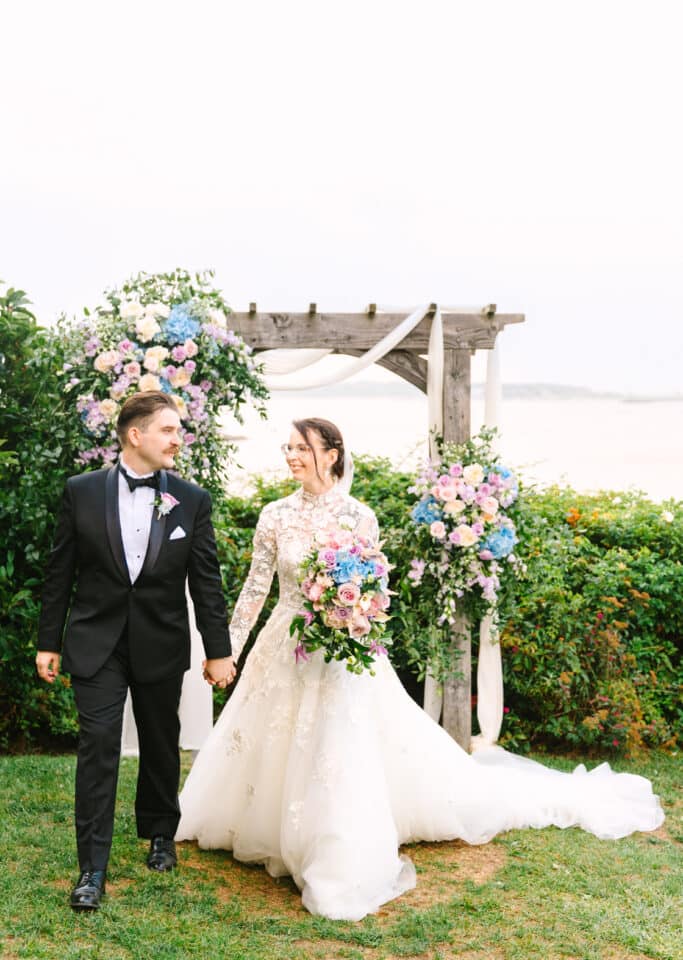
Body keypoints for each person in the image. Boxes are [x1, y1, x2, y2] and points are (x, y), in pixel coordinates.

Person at [175, 417, 664, 922]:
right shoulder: (274, 515)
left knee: (336, 744)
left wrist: (353, 613)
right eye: (290, 447)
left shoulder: (358, 516)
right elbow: (256, 588)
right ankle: (259, 823)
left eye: (303, 447)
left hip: (342, 647)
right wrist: (227, 649)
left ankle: (332, 838)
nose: (292, 455)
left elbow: (374, 587)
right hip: (284, 642)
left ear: (333, 453)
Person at [36, 391, 235, 911]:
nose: (177, 440)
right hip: (95, 642)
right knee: (97, 747)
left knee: (160, 740)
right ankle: (91, 869)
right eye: (169, 430)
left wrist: (218, 650)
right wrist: (47, 641)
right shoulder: (80, 492)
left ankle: (160, 833)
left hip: (160, 640)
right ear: (135, 435)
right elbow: (61, 572)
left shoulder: (191, 500)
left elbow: (206, 584)